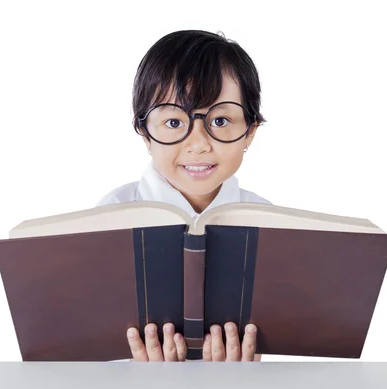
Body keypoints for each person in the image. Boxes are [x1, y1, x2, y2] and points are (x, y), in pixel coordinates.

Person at [97, 30, 271, 362]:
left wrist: (244, 371)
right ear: (144, 132)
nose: (198, 143)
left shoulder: (266, 219)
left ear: (250, 131)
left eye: (220, 120)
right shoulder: (112, 214)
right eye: (174, 122)